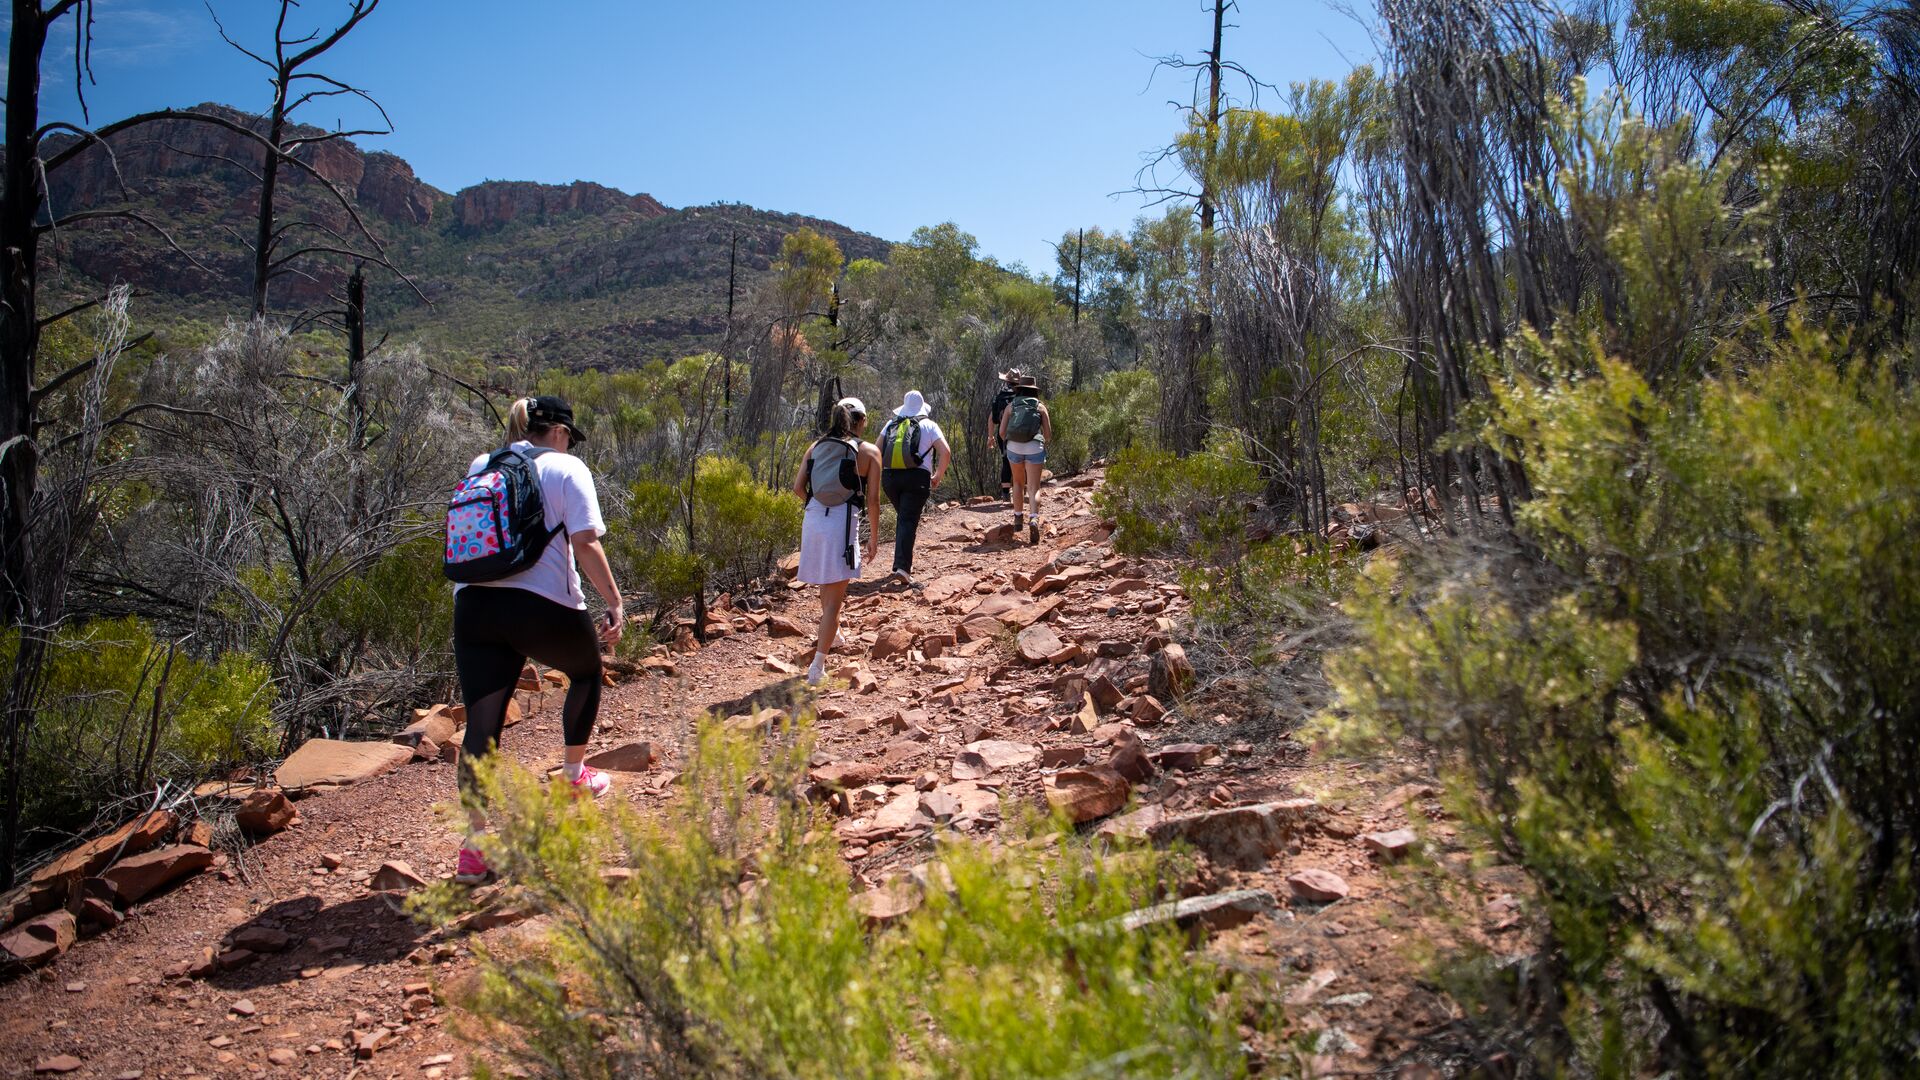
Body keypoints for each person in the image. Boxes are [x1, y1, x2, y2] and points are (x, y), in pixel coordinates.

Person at [450, 395, 623, 885]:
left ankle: (475, 846)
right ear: (562, 432)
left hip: (474, 606)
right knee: (586, 672)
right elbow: (586, 542)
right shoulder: (568, 467)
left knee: (481, 727)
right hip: (541, 603)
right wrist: (614, 602)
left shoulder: (483, 463)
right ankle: (573, 779)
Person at [791, 397, 883, 686]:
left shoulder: (815, 447)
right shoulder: (868, 452)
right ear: (861, 421)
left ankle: (836, 634)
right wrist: (874, 538)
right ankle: (817, 667)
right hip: (842, 523)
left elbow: (797, 488)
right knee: (835, 600)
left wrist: (817, 506)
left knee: (825, 586)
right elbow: (873, 501)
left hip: (813, 518)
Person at [877, 389, 951, 588]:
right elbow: (946, 452)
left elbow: (876, 450)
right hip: (917, 477)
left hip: (890, 477)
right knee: (907, 520)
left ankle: (901, 564)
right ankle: (902, 568)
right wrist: (937, 476)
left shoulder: (890, 424)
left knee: (904, 518)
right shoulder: (929, 425)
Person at [997, 373, 1052, 545]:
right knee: (1034, 487)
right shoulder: (1040, 407)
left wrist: (1012, 441)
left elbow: (1001, 432)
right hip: (1034, 446)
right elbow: (1048, 435)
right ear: (1034, 391)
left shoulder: (1011, 406)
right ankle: (1034, 519)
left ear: (1018, 389)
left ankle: (1018, 518)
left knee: (1018, 484)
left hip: (1014, 447)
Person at [989, 370, 1020, 499]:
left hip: (1003, 435)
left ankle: (1006, 493)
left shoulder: (999, 397)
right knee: (1021, 461)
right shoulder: (1021, 396)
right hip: (1020, 433)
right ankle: (1022, 490)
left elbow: (992, 418)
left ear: (1006, 381)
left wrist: (990, 436)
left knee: (1006, 461)